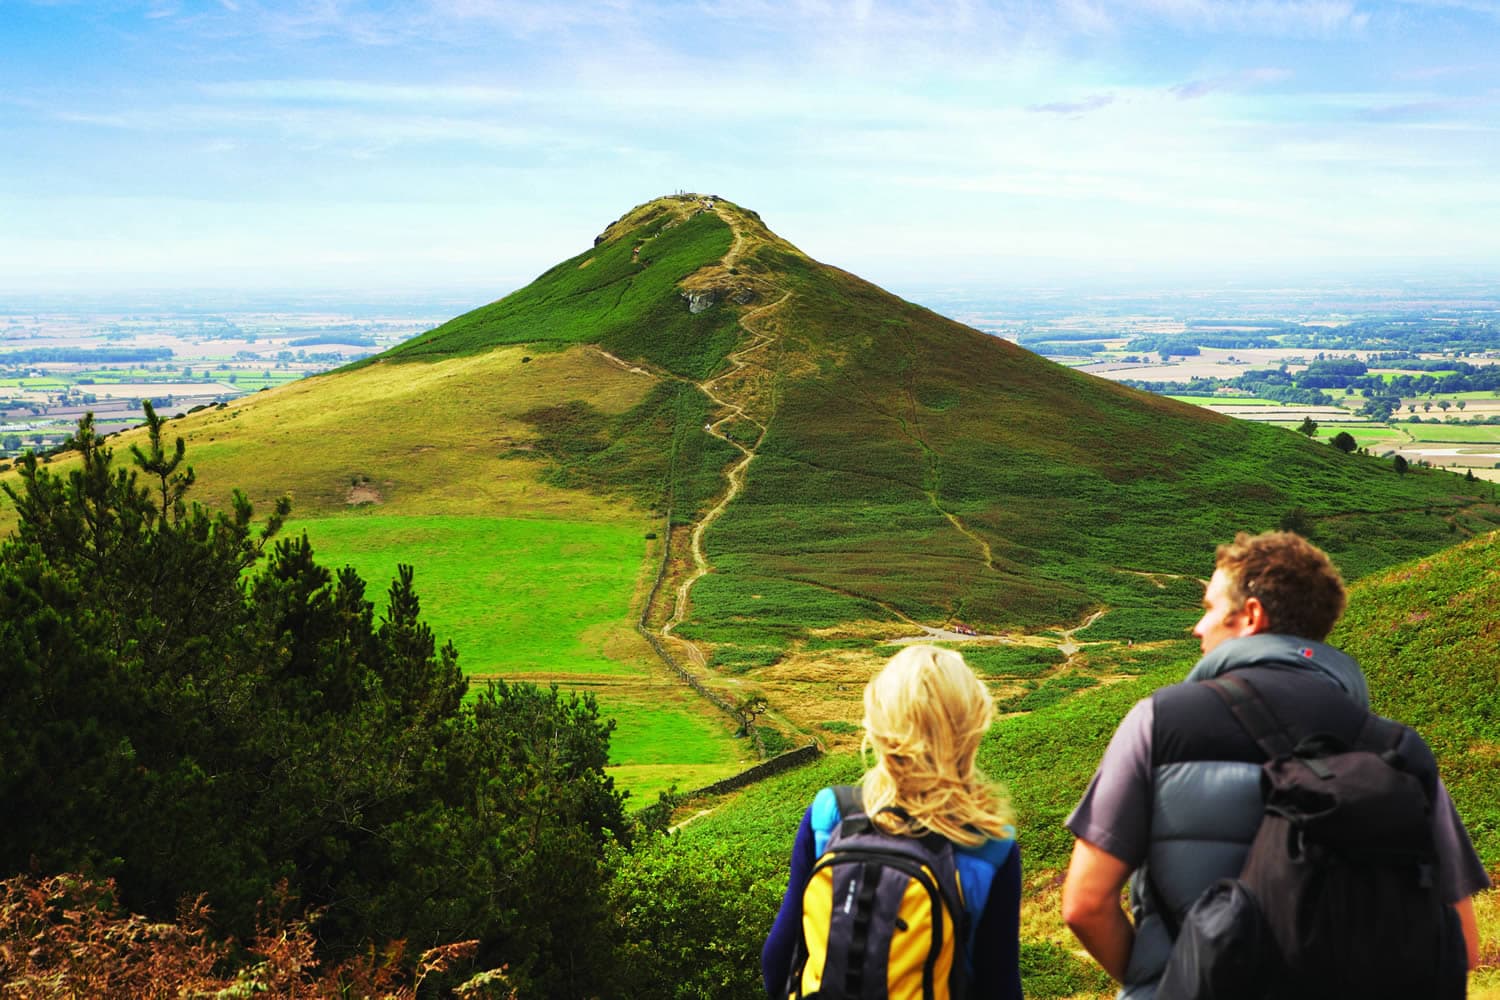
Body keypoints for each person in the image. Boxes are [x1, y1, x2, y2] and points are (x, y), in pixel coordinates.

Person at [1061, 531, 1490, 998]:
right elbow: (1463, 946)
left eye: (1209, 608)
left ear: (1251, 615)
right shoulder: (1399, 748)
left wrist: (1168, 984)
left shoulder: (1160, 721)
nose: (1197, 628)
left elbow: (1085, 904)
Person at [761, 644, 1023, 999]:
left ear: (879, 724)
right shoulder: (989, 845)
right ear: (973, 726)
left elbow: (777, 960)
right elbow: (999, 985)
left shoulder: (830, 814)